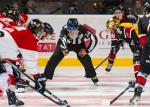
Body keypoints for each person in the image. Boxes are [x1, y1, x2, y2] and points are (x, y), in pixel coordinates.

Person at [0, 19, 53, 106]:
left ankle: (12, 97)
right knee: (4, 79)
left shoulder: (21, 30)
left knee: (10, 75)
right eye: (39, 31)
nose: (40, 34)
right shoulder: (28, 36)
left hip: (3, 54)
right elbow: (31, 62)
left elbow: (8, 45)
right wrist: (37, 77)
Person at [44, 18, 99, 85]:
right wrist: (64, 49)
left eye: (73, 28)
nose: (71, 30)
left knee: (85, 58)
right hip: (66, 43)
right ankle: (46, 76)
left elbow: (94, 39)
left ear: (77, 27)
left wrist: (87, 50)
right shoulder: (64, 29)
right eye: (69, 27)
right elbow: (62, 39)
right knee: (55, 58)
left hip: (79, 45)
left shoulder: (83, 29)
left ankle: (92, 75)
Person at [105, 5, 141, 75]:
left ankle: (137, 68)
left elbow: (141, 22)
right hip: (118, 35)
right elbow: (109, 29)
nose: (117, 15)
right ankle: (110, 63)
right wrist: (112, 30)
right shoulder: (112, 20)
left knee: (136, 51)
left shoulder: (131, 17)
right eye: (116, 13)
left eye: (119, 12)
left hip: (129, 36)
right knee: (114, 49)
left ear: (123, 12)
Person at [130, 2, 150, 105]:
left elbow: (142, 40)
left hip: (148, 49)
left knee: (143, 72)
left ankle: (137, 96)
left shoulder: (142, 20)